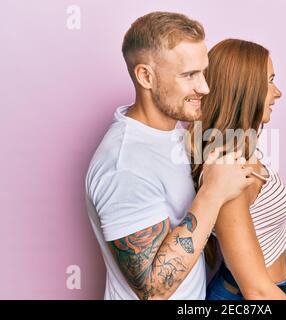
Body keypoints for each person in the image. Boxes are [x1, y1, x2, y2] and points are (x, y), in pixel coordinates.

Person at [85, 12, 255, 300]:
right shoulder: (124, 164)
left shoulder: (173, 134)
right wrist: (213, 192)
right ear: (145, 76)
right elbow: (153, 289)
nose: (204, 87)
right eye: (189, 75)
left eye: (204, 72)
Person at [189, 39, 286, 300]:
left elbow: (268, 243)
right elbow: (256, 291)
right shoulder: (227, 169)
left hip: (277, 290)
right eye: (269, 81)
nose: (278, 92)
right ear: (244, 90)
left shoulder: (243, 154)